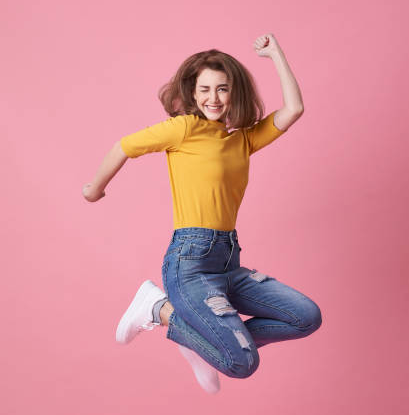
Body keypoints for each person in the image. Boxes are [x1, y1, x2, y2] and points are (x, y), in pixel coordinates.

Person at [82, 33, 322, 394]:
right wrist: (94, 188)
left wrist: (276, 55)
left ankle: (193, 336)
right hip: (190, 262)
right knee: (242, 364)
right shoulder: (183, 129)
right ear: (193, 94)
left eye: (222, 89)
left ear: (234, 93)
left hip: (228, 262)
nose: (213, 98)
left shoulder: (241, 139)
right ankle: (159, 309)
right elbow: (124, 146)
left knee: (306, 317)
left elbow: (294, 110)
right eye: (205, 89)